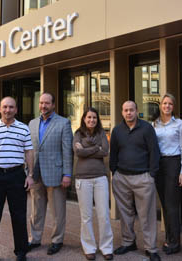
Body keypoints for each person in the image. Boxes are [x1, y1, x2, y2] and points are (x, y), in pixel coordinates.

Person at [110, 101, 161, 261]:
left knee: (147, 215)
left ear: (136, 111)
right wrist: (115, 172)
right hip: (122, 178)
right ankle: (128, 242)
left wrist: (151, 174)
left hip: (143, 177)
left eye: (131, 110)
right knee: (125, 214)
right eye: (125, 110)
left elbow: (154, 152)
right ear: (122, 112)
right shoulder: (117, 130)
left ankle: (151, 248)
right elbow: (113, 154)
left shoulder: (147, 128)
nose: (128, 113)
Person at [0, 97, 34, 261]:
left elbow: (29, 152)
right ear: (0, 109)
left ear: (16, 109)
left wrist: (30, 175)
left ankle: (21, 252)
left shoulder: (23, 128)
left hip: (16, 175)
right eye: (5, 107)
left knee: (19, 216)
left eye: (11, 107)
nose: (8, 110)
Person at [28, 92, 73, 255]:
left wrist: (67, 174)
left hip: (56, 173)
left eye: (47, 103)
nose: (43, 106)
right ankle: (34, 238)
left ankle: (57, 240)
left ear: (53, 105)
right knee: (36, 210)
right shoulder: (32, 123)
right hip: (36, 174)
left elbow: (67, 151)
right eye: (41, 103)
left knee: (57, 211)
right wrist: (28, 172)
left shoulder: (63, 123)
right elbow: (29, 150)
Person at [73, 107, 113, 261]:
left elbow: (105, 152)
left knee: (104, 215)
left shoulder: (102, 133)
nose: (91, 120)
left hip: (100, 178)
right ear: (84, 119)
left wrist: (87, 148)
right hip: (82, 179)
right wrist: (97, 148)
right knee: (86, 216)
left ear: (97, 119)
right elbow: (78, 153)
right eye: (89, 117)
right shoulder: (78, 134)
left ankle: (106, 247)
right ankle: (89, 247)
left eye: (94, 118)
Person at [152, 93, 182, 255]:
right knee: (165, 204)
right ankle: (169, 237)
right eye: (164, 103)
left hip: (173, 163)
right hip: (160, 165)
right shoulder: (154, 124)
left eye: (170, 104)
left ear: (173, 107)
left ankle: (175, 242)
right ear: (160, 105)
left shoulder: (179, 124)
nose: (167, 106)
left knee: (172, 205)